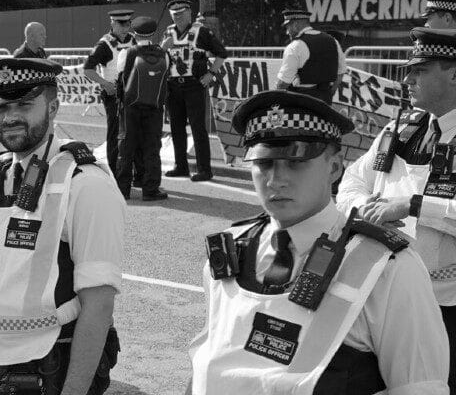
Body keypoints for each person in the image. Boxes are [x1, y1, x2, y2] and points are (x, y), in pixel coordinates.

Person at [188, 90, 450, 394]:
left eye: (295, 163)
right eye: (264, 163)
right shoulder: (229, 253)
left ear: (335, 168)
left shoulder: (389, 269)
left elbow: (420, 387)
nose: (276, 180)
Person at [0, 58, 122, 395]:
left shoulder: (85, 184)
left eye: (25, 105)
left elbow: (98, 305)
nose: (11, 116)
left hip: (47, 370)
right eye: (1, 107)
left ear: (53, 107)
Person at [338, 27, 456, 388]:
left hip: (447, 302)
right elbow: (351, 181)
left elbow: (410, 205)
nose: (406, 80)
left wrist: (413, 205)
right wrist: (364, 205)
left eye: (419, 71)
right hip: (384, 294)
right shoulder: (400, 128)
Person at [161, 0, 228, 182]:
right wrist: (162, 49)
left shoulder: (201, 31)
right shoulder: (168, 32)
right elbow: (160, 57)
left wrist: (211, 73)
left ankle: (204, 169)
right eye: (175, 15)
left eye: (181, 14)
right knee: (176, 128)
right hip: (173, 86)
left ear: (189, 13)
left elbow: (222, 53)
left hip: (194, 85)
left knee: (198, 128)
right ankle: (180, 166)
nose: (178, 18)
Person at [115, 16, 171, 201]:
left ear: (134, 33)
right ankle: (150, 189)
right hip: (154, 108)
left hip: (131, 107)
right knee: (152, 148)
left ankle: (123, 189)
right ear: (153, 33)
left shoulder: (127, 53)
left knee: (126, 147)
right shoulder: (164, 54)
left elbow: (120, 77)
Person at [83, 10, 137, 179]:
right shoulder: (104, 44)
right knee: (115, 134)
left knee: (133, 133)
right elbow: (88, 69)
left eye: (128, 24)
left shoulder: (133, 40)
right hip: (114, 96)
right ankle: (114, 173)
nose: (125, 27)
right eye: (122, 24)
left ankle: (132, 172)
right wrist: (105, 84)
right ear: (112, 23)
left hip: (132, 94)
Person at [275, 9, 345, 104]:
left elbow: (283, 83)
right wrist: (328, 95)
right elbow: (340, 74)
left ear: (295, 25)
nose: (287, 32)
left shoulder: (295, 46)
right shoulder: (333, 41)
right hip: (325, 102)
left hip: (301, 104)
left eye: (288, 27)